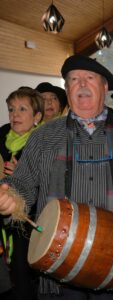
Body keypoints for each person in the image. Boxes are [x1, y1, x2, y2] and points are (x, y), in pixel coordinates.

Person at [0, 54, 113, 300]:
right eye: (74, 79)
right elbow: (22, 182)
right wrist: (10, 197)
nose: (81, 84)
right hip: (57, 264)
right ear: (67, 89)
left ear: (104, 87)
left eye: (90, 78)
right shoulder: (44, 136)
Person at [0, 87, 43, 300]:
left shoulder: (43, 144)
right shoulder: (1, 136)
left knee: (24, 277)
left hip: (31, 222)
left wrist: (22, 177)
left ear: (37, 117)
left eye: (22, 109)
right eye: (11, 109)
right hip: (3, 221)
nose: (14, 114)